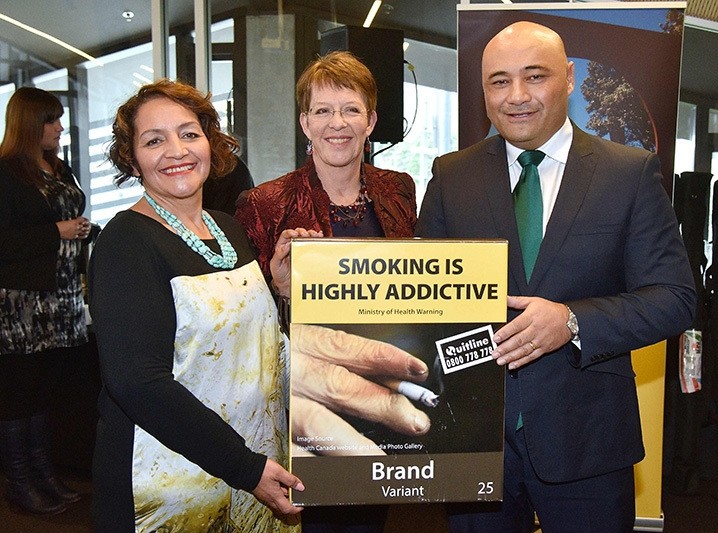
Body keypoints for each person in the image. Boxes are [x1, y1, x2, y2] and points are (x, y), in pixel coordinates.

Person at [415, 21, 696, 532]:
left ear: (567, 78)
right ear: (483, 91)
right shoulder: (450, 175)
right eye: (499, 81)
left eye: (534, 76)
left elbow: (675, 297)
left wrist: (571, 321)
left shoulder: (628, 173)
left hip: (587, 442)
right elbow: (421, 297)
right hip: (476, 442)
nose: (516, 96)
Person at [88, 79, 303, 532]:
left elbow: (251, 344)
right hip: (172, 486)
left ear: (210, 140)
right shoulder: (124, 242)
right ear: (132, 158)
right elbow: (137, 382)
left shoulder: (228, 228)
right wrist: (245, 467)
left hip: (252, 470)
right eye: (154, 140)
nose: (176, 151)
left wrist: (279, 292)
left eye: (189, 133)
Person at [235, 50, 419, 533]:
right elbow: (241, 318)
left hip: (379, 381)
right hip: (302, 402)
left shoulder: (400, 189)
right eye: (322, 110)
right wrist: (276, 288)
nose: (337, 123)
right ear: (305, 123)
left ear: (371, 120)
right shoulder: (265, 202)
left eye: (351, 109)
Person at [0, 86, 88, 515]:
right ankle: (21, 481)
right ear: (31, 124)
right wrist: (57, 231)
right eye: (51, 120)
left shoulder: (58, 167)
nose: (58, 127)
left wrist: (83, 231)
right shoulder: (5, 173)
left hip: (64, 298)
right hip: (21, 305)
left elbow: (67, 220)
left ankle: (44, 475)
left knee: (45, 393)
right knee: (19, 395)